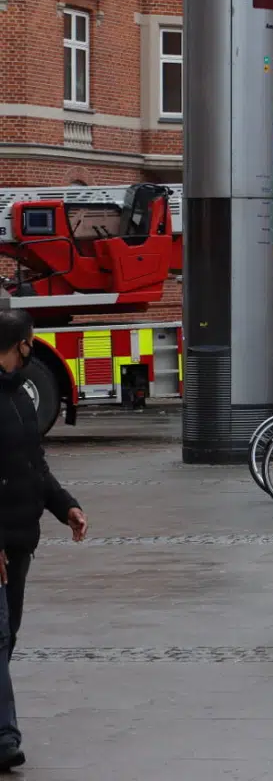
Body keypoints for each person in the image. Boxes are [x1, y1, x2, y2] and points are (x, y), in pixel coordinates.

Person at [0, 309, 86, 770]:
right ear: (21, 345)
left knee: (8, 633)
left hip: (19, 540)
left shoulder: (19, 397)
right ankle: (4, 737)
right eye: (31, 343)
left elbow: (35, 467)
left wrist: (64, 505)